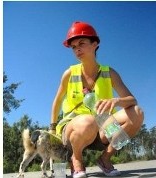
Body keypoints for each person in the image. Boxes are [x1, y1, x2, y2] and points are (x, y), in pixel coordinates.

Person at [51, 21, 144, 178]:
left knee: (137, 113)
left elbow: (132, 100)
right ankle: (77, 159)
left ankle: (105, 158)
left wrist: (116, 101)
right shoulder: (69, 74)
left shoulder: (110, 73)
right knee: (87, 121)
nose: (77, 49)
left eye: (81, 43)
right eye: (73, 47)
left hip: (102, 126)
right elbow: (57, 102)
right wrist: (52, 129)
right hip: (74, 128)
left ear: (95, 44)